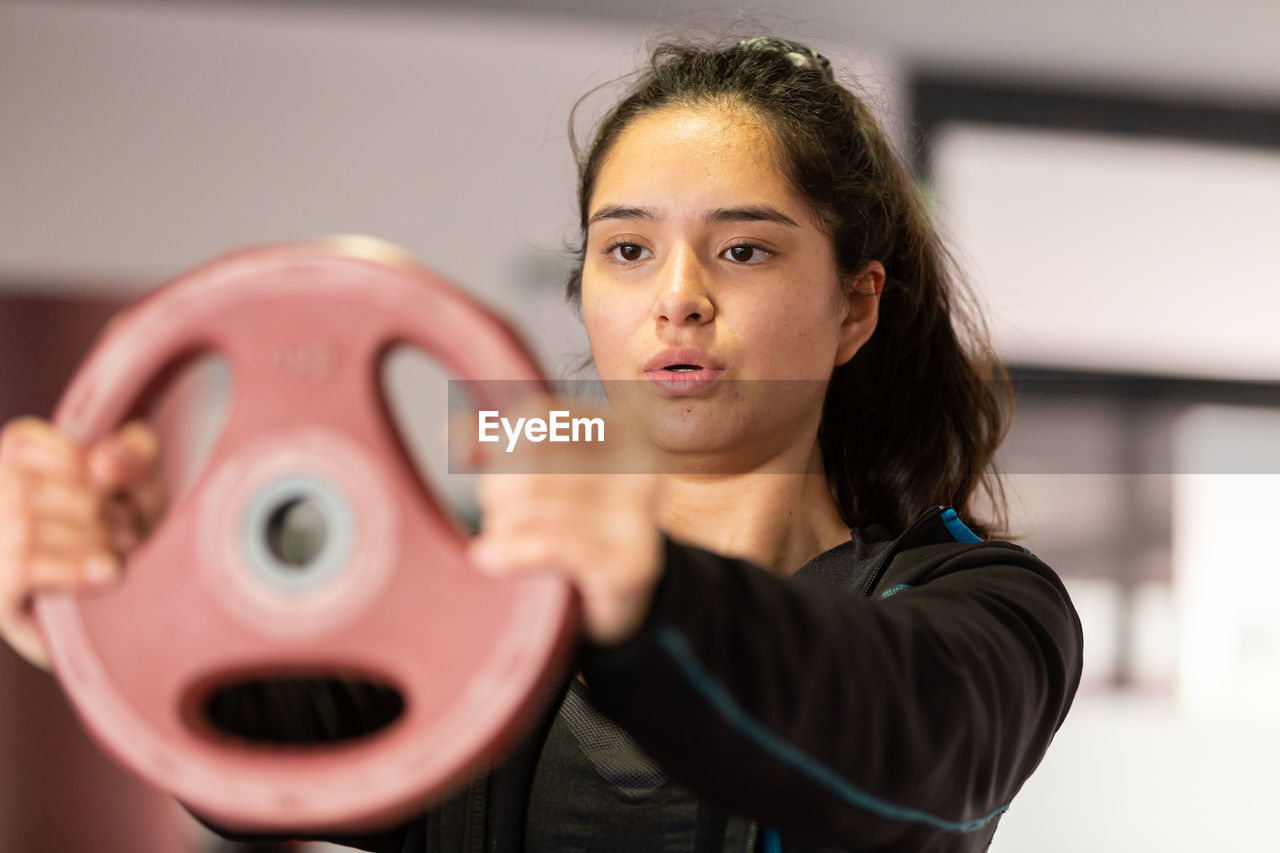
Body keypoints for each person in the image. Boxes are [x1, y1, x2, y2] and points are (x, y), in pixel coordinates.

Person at [0, 36, 1082, 853]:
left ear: (854, 308)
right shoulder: (481, 595)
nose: (677, 300)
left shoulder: (988, 608)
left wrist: (644, 588)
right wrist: (112, 600)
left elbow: (894, 739)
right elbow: (266, 736)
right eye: (626, 249)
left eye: (742, 248)